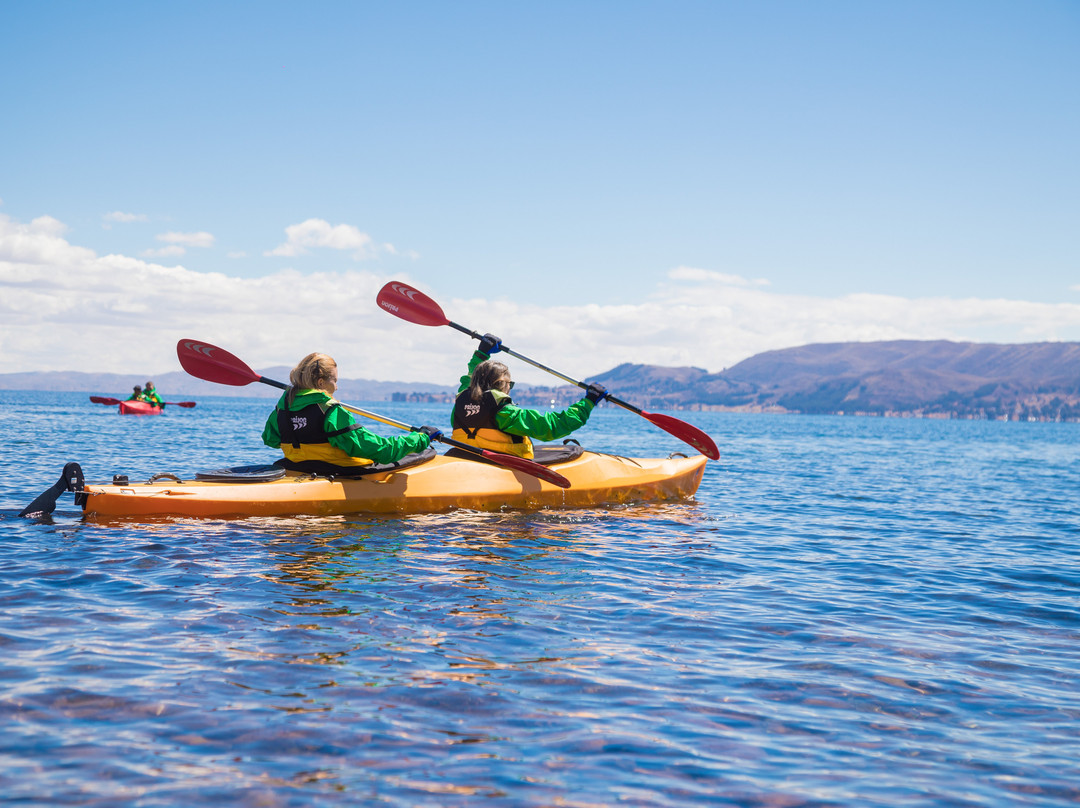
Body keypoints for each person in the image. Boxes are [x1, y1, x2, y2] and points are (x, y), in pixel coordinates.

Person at [262, 352, 441, 470]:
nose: (337, 387)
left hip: (298, 468)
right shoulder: (332, 412)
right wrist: (422, 437)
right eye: (335, 381)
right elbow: (383, 451)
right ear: (321, 383)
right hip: (339, 471)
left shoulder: (282, 409)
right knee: (421, 453)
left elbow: (270, 440)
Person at [450, 334, 607, 459]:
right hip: (499, 463)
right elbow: (553, 426)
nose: (509, 389)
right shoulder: (506, 413)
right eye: (509, 385)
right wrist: (588, 402)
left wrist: (482, 351)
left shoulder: (461, 400)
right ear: (501, 384)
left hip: (465, 457)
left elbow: (470, 377)